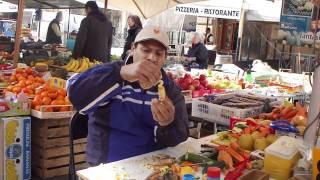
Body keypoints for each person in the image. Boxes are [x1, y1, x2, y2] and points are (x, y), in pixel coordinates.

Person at [67, 27, 189, 165]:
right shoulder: (110, 73)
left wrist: (168, 124)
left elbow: (180, 136)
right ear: (133, 48)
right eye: (146, 50)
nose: (152, 58)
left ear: (165, 57)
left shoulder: (169, 89)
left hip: (151, 168)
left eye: (159, 53)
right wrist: (121, 73)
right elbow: (75, 94)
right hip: (106, 168)